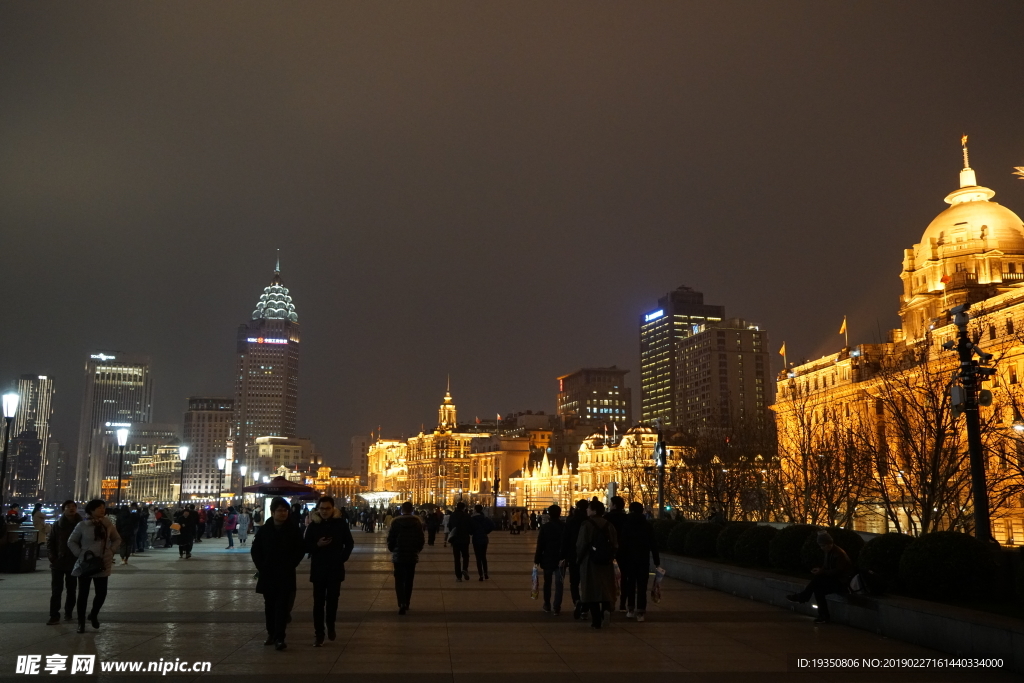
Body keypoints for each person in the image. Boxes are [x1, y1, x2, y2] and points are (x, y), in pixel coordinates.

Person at [251, 497, 306, 650]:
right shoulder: (265, 529)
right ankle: (271, 633)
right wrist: (261, 566)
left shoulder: (293, 529)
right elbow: (256, 550)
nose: (283, 513)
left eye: (285, 510)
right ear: (273, 512)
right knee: (269, 605)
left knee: (282, 606)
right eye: (280, 510)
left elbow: (300, 550)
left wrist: (291, 563)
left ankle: (280, 637)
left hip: (285, 573)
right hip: (268, 573)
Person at [305, 495, 354, 646]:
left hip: (335, 568)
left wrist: (342, 558)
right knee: (318, 603)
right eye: (322, 508)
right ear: (318, 509)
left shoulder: (340, 524)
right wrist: (318, 545)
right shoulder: (313, 526)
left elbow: (349, 543)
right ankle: (318, 634)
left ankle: (330, 625)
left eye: (327, 508)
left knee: (332, 600)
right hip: (318, 568)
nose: (324, 511)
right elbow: (306, 546)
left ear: (333, 509)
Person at [67, 499, 121, 634]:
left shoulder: (107, 524)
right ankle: (81, 622)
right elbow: (71, 541)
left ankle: (94, 614)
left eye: (103, 507)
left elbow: (117, 538)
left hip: (103, 563)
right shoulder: (82, 525)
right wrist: (80, 553)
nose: (102, 510)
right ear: (91, 510)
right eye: (99, 508)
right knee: (83, 594)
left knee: (102, 593)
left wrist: (111, 550)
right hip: (86, 563)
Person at [787, 531, 852, 623]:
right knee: (818, 589)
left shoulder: (839, 554)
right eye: (821, 546)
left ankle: (803, 597)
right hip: (834, 580)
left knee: (817, 581)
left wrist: (822, 572)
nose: (822, 548)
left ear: (830, 543)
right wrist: (820, 570)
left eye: (824, 546)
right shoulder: (829, 552)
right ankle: (823, 615)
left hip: (841, 583)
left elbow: (838, 572)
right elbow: (827, 568)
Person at [577, 498, 618, 629]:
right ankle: (606, 609)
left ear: (594, 511)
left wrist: (579, 559)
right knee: (605, 587)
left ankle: (596, 621)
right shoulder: (609, 524)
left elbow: (581, 544)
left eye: (588, 508)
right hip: (606, 561)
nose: (586, 510)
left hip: (590, 561)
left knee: (591, 590)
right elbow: (615, 544)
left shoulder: (586, 525)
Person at [620, 501, 660, 622]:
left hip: (629, 560)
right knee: (642, 586)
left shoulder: (626, 525)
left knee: (630, 584)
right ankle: (641, 612)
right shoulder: (647, 525)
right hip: (643, 559)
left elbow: (623, 544)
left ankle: (630, 609)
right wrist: (657, 561)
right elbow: (653, 544)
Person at [45, 500, 80, 625]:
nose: (71, 509)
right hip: (58, 562)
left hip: (74, 562)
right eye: (68, 507)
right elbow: (50, 542)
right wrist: (52, 558)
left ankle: (68, 612)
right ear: (63, 509)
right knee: (56, 590)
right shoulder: (57, 525)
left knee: (72, 590)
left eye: (73, 507)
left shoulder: (81, 525)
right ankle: (54, 615)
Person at [387, 501, 424, 615]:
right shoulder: (417, 523)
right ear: (412, 509)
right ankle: (407, 602)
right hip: (411, 555)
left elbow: (390, 539)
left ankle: (401, 603)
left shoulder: (395, 522)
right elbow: (421, 539)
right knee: (409, 579)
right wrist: (417, 549)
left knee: (399, 580)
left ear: (402, 510)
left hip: (399, 555)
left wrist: (393, 549)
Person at [534, 504, 566, 615]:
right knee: (559, 583)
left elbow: (540, 544)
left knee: (547, 582)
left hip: (547, 558)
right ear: (560, 513)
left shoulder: (545, 527)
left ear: (549, 514)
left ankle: (547, 603)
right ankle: (557, 606)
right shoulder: (564, 526)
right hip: (560, 559)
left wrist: (537, 560)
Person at [561, 499, 589, 620]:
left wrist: (563, 556)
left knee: (574, 582)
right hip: (587, 557)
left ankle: (576, 601)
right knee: (586, 582)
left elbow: (565, 540)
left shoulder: (571, 521)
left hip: (573, 556)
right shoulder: (589, 521)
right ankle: (585, 607)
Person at [605, 496, 628, 611]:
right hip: (624, 550)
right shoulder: (626, 518)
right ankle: (623, 603)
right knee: (624, 577)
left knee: (609, 578)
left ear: (614, 505)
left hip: (610, 550)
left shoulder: (607, 518)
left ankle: (611, 602)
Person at [447, 501, 472, 582]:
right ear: (464, 508)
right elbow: (470, 527)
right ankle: (465, 569)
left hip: (455, 539)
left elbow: (449, 526)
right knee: (465, 555)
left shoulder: (452, 515)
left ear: (456, 507)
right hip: (465, 538)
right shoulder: (467, 516)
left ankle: (458, 576)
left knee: (457, 558)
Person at [469, 504, 494, 581]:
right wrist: (486, 531)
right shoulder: (485, 518)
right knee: (483, 557)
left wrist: (472, 532)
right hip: (484, 538)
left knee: (478, 558)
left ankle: (481, 575)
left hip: (476, 539)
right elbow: (492, 525)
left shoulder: (472, 519)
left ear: (475, 510)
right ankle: (486, 573)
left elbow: (470, 529)